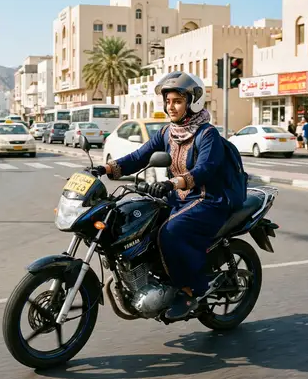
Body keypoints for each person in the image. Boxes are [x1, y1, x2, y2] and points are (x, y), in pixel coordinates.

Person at [95, 72, 233, 320]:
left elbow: (205, 169)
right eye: (168, 101)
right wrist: (105, 168)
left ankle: (192, 290)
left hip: (207, 198)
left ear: (193, 102)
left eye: (178, 101)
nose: (171, 106)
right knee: (138, 220)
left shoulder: (207, 133)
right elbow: (139, 156)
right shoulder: (168, 132)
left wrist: (173, 182)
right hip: (180, 197)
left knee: (170, 232)